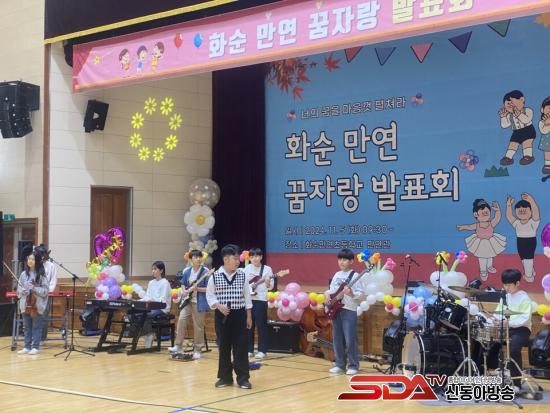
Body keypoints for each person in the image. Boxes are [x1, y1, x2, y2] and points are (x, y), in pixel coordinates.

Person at [206, 244, 253, 389]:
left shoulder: (242, 275)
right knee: (224, 346)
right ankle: (225, 378)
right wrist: (219, 306)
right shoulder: (215, 276)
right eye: (235, 258)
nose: (238, 261)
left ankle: (243, 378)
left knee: (241, 347)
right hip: (222, 317)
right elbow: (210, 295)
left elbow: (247, 296)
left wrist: (249, 316)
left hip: (240, 315)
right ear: (226, 259)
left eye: (238, 258)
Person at [488, 268, 533, 390]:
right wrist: (496, 320)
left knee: (514, 349)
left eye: (509, 285)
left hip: (521, 329)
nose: (506, 288)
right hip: (506, 328)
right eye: (504, 285)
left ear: (517, 283)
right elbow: (499, 312)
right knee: (488, 343)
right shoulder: (505, 297)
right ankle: (492, 374)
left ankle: (516, 383)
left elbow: (524, 318)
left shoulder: (524, 298)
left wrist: (508, 322)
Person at [325, 248, 363, 375]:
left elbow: (360, 294)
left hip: (349, 310)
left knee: (350, 339)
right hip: (336, 309)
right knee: (337, 339)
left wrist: (351, 293)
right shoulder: (337, 275)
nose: (341, 262)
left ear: (351, 261)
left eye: (345, 259)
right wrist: (327, 294)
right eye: (340, 259)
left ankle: (353, 365)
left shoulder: (355, 276)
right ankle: (340, 364)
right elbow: (332, 291)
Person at [168, 250, 210, 358]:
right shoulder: (187, 271)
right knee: (181, 321)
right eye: (196, 257)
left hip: (199, 302)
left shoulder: (205, 271)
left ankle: (198, 349)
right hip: (187, 301)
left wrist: (197, 289)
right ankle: (178, 345)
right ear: (191, 259)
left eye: (200, 257)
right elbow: (183, 284)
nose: (198, 259)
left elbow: (209, 288)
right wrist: (185, 291)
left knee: (198, 326)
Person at [456, 199, 506, 280]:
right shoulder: (477, 225)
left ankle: (489, 266)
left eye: (487, 213)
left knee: (490, 255)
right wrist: (462, 227)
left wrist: (498, 210)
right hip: (480, 244)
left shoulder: (491, 223)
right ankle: (483, 270)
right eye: (483, 213)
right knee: (482, 258)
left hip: (490, 242)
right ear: (476, 214)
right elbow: (469, 227)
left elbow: (497, 218)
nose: (485, 215)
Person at [16, 253, 49, 355]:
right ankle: (26, 346)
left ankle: (35, 347)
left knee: (36, 327)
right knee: (26, 327)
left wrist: (34, 288)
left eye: (33, 259)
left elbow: (45, 291)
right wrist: (22, 291)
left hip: (36, 305)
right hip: (25, 304)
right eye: (29, 259)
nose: (30, 261)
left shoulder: (41, 275)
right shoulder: (23, 274)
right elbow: (18, 290)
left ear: (37, 261)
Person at [245, 248, 273, 359]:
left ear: (261, 257)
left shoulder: (267, 269)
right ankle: (249, 350)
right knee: (249, 326)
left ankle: (262, 350)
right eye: (252, 257)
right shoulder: (247, 268)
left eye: (257, 256)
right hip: (248, 300)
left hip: (260, 300)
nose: (255, 259)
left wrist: (267, 282)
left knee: (261, 326)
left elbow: (271, 287)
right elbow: (244, 284)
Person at [505, 193, 540, 282]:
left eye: (524, 211)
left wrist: (531, 201)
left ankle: (529, 276)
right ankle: (530, 270)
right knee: (523, 258)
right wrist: (508, 205)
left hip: (530, 241)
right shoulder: (517, 223)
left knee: (528, 258)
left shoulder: (533, 222)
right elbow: (509, 216)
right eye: (519, 211)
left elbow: (536, 213)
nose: (522, 212)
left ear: (530, 212)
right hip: (520, 241)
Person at [499, 90, 536, 166]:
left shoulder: (527, 110)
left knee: (527, 143)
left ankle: (528, 156)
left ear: (522, 100)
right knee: (512, 144)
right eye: (508, 104)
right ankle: (508, 158)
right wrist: (503, 117)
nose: (510, 105)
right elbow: (505, 125)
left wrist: (518, 114)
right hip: (516, 132)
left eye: (512, 102)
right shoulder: (509, 115)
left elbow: (526, 120)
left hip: (528, 130)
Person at [140, 261, 172, 348]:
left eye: (155, 269)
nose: (153, 271)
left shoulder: (165, 283)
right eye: (152, 269)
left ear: (161, 271)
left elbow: (163, 300)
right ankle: (147, 333)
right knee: (135, 314)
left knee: (147, 315)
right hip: (151, 308)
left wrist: (153, 300)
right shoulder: (151, 282)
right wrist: (139, 301)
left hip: (162, 309)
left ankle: (149, 334)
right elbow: (147, 296)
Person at [34, 244, 58, 344]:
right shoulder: (34, 264)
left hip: (46, 294)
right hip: (34, 293)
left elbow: (53, 280)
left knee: (43, 316)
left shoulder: (51, 266)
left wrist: (48, 291)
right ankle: (33, 337)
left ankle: (41, 338)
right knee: (33, 315)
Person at [538, 96, 550, 174]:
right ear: (542, 109)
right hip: (547, 140)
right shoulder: (541, 122)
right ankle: (547, 165)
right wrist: (547, 124)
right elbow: (543, 131)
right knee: (547, 152)